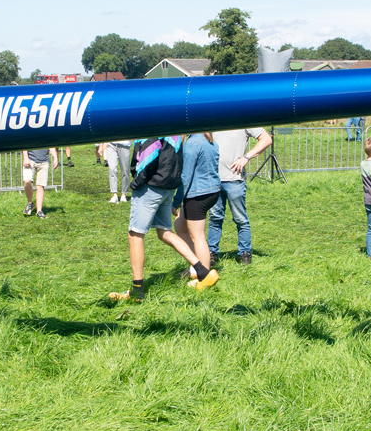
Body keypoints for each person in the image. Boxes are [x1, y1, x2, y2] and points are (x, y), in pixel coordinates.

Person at [110, 136, 216, 301]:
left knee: (135, 235)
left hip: (151, 185)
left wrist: (136, 183)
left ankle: (137, 292)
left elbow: (148, 154)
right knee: (164, 232)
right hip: (168, 186)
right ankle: (203, 271)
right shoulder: (174, 127)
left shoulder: (152, 119)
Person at [207, 127, 272, 267]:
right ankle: (211, 254)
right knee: (214, 218)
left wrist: (246, 157)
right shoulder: (214, 116)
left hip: (234, 179)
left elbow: (266, 139)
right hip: (214, 179)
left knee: (240, 219)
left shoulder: (242, 118)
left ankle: (245, 254)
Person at [173, 133, 222, 283]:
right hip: (211, 191)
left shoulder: (192, 144)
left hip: (198, 195)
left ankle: (205, 276)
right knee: (180, 226)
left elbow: (185, 176)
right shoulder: (210, 140)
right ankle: (196, 266)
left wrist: (176, 201)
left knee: (198, 236)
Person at [22, 147, 58, 217]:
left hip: (44, 162)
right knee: (27, 182)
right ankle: (30, 203)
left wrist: (55, 158)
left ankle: (39, 211)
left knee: (40, 186)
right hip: (30, 160)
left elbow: (51, 146)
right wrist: (25, 157)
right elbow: (25, 144)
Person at [103, 139, 133, 204]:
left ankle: (124, 194)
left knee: (125, 170)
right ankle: (114, 194)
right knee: (112, 168)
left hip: (124, 145)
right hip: (111, 145)